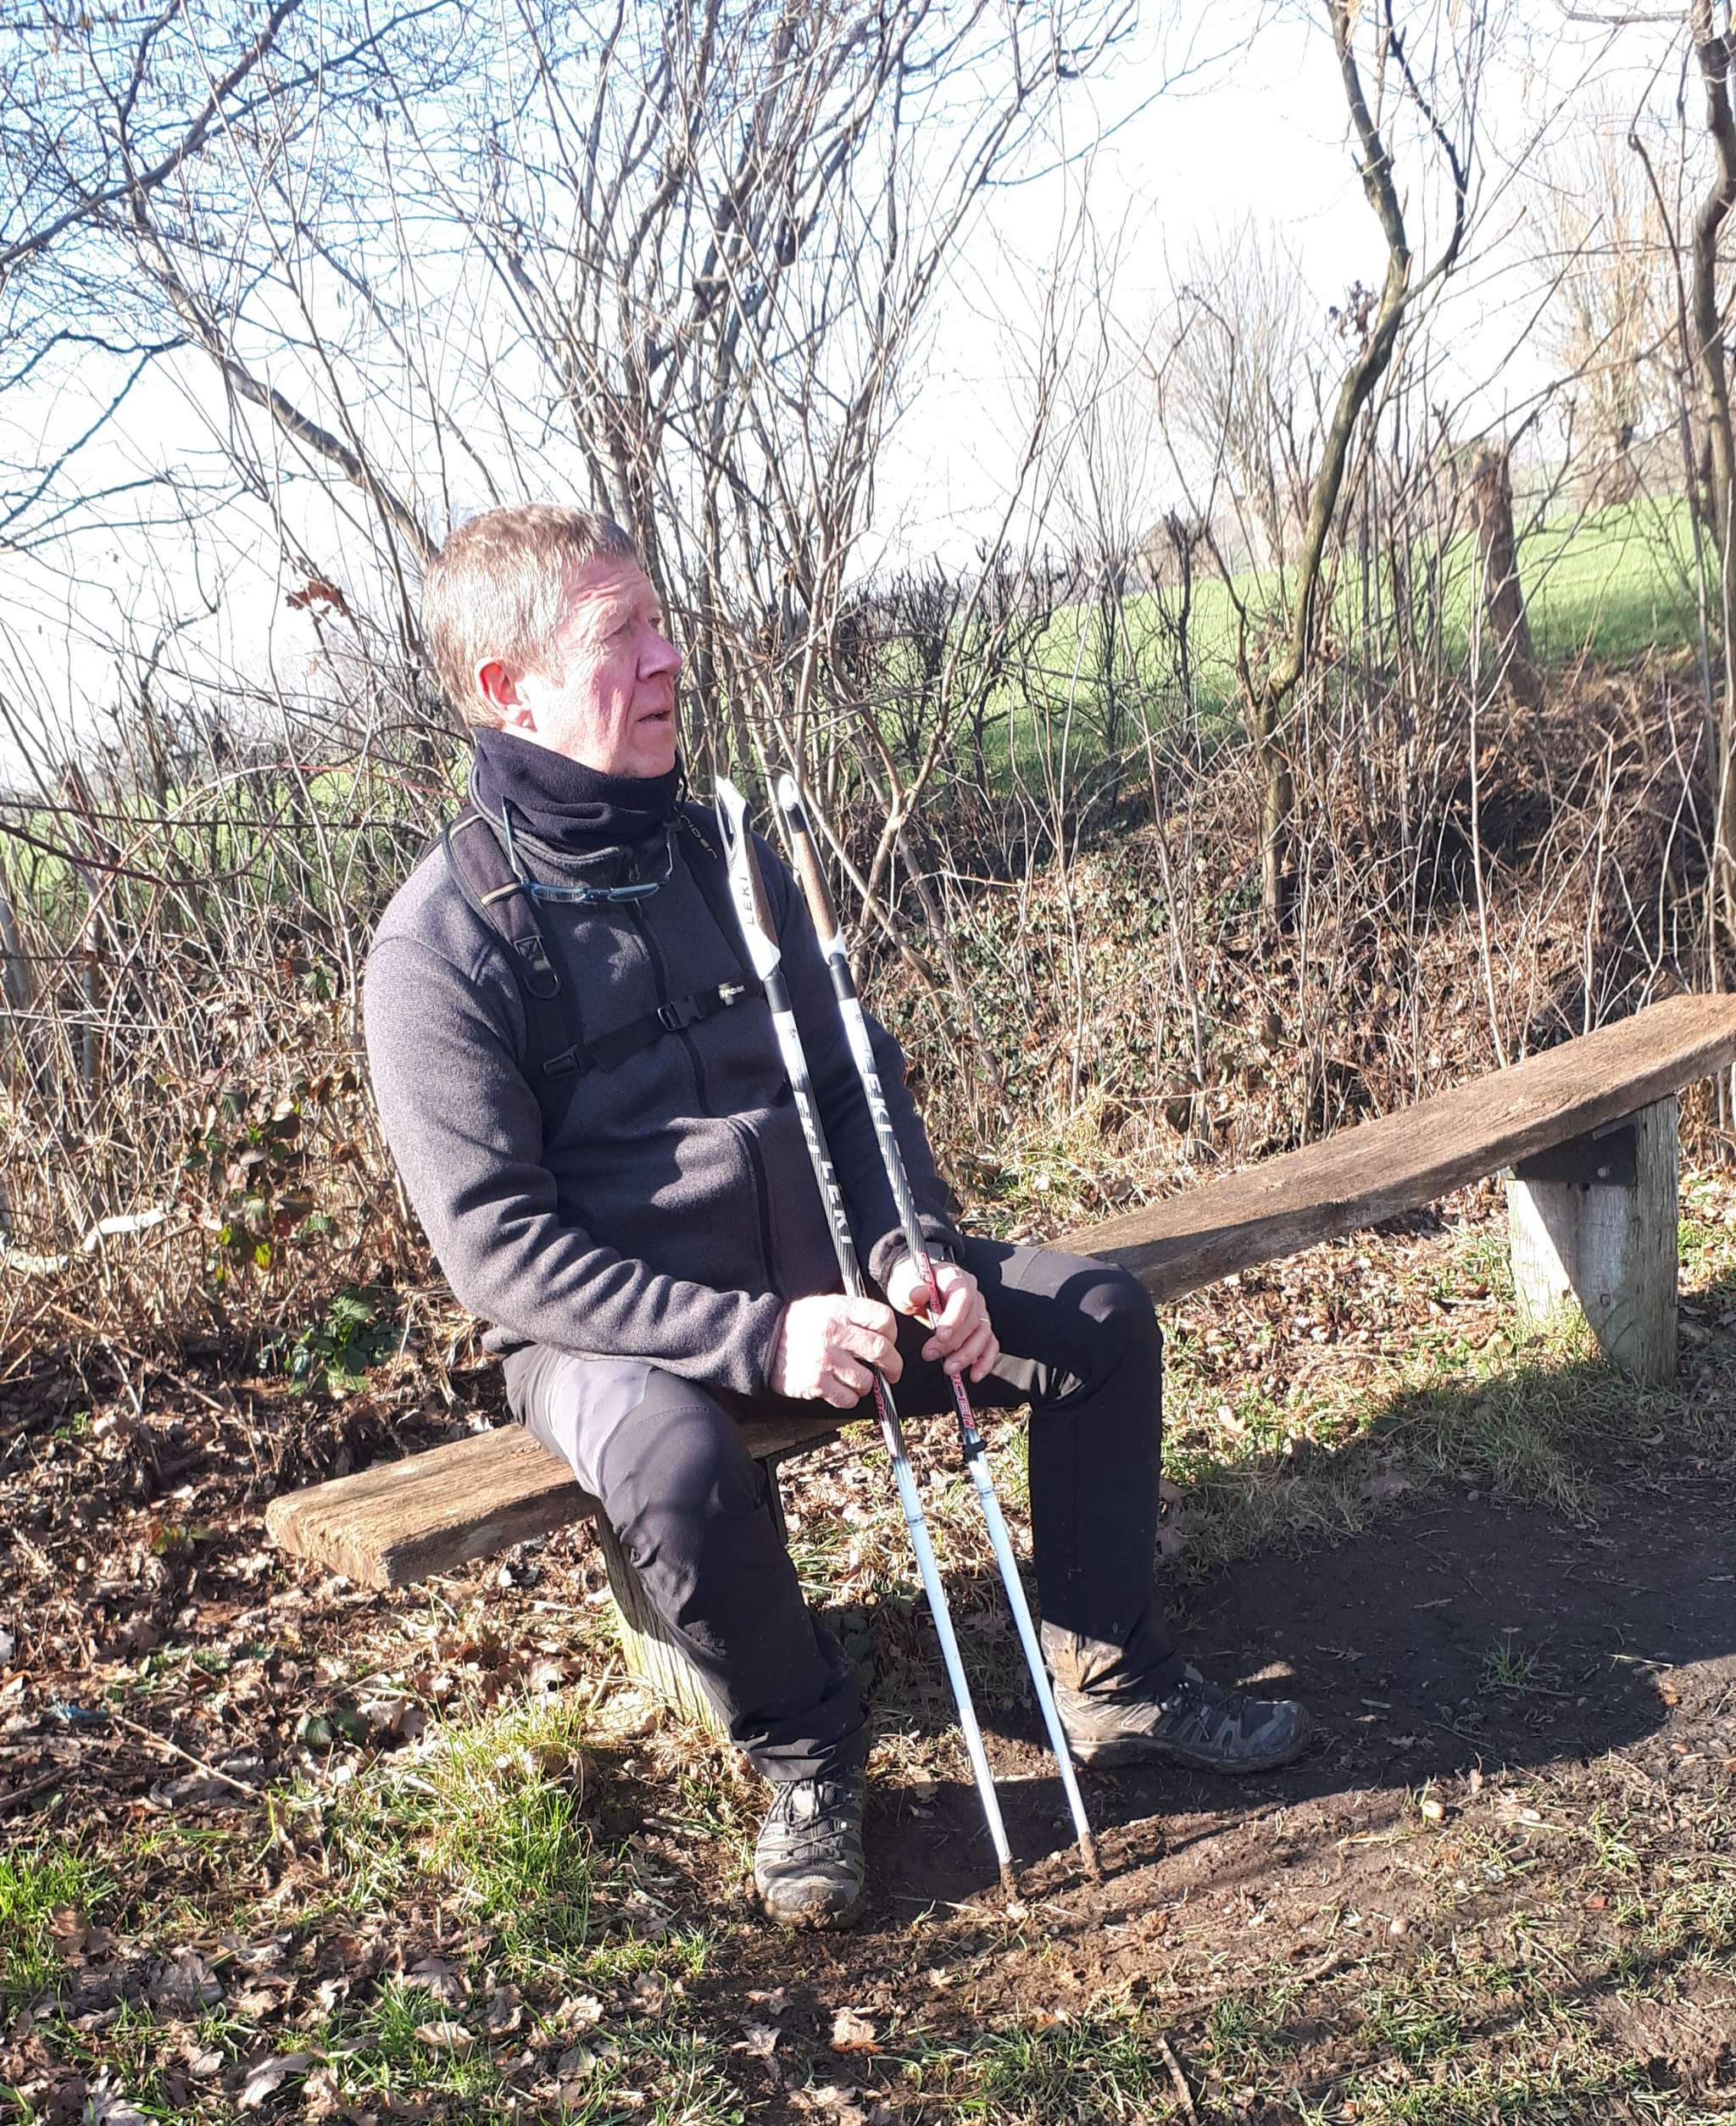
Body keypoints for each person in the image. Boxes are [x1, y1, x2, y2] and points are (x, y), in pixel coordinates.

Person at [363, 504, 1309, 1928]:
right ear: (511, 689)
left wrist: (910, 1247)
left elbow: (861, 1085)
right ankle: (807, 1750)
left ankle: (1111, 1675)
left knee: (1100, 1318)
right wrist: (757, 1339)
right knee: (675, 1462)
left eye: (661, 622)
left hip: (834, 1276)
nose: (669, 658)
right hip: (612, 1333)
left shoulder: (729, 858)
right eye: (622, 636)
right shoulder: (439, 946)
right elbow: (502, 1252)